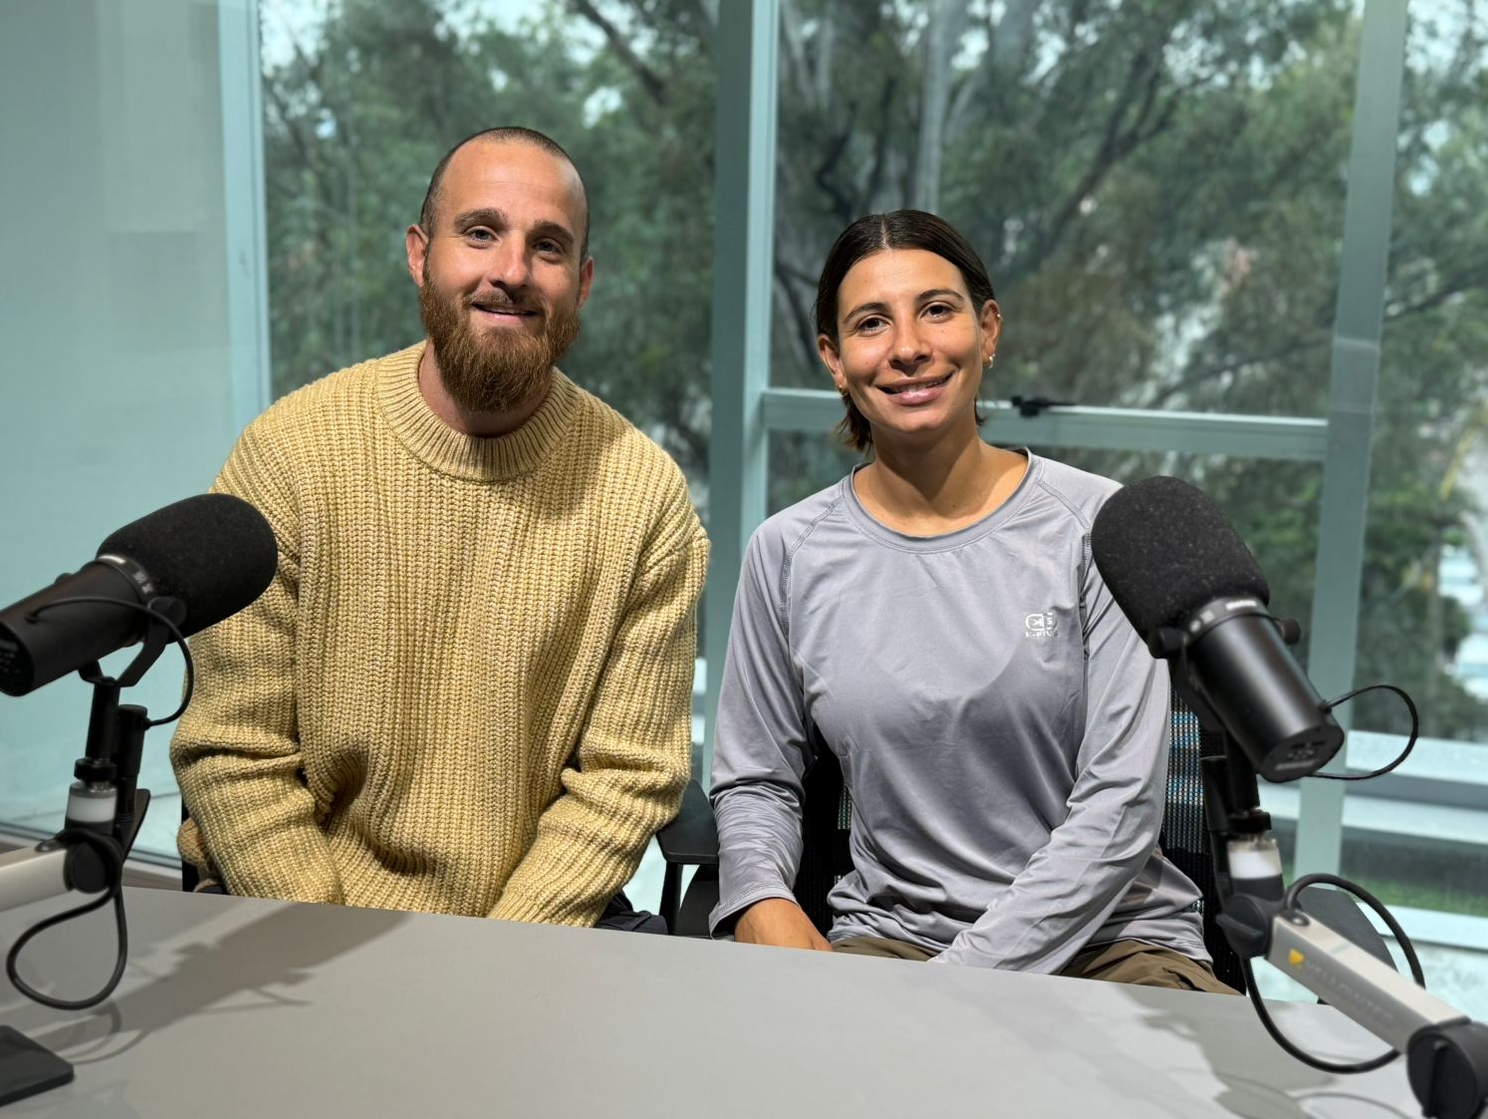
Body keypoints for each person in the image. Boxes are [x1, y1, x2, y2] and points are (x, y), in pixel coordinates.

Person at [171, 127, 708, 928]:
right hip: (296, 921)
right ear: (421, 254)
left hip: (534, 936)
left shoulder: (643, 497)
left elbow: (626, 778)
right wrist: (331, 949)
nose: (512, 271)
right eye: (481, 232)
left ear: (583, 283)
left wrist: (492, 966)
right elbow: (234, 749)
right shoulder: (289, 455)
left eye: (548, 247)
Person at [708, 210, 1231, 991]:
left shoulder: (1100, 528)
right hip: (897, 941)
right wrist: (759, 896)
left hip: (1114, 943)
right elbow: (756, 776)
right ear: (834, 358)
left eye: (937, 310)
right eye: (872, 323)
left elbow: (1120, 808)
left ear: (988, 330)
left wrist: (955, 989)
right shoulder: (787, 552)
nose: (909, 347)